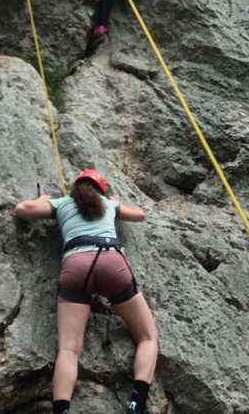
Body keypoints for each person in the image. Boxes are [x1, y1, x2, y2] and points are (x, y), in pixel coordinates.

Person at [14, 169, 159, 414]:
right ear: (101, 189)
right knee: (148, 337)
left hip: (76, 265)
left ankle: (61, 410)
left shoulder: (62, 203)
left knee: (69, 350)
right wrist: (116, 204)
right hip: (111, 261)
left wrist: (41, 202)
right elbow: (140, 214)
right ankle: (137, 403)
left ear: (75, 188)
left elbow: (22, 210)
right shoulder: (108, 204)